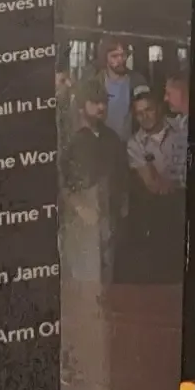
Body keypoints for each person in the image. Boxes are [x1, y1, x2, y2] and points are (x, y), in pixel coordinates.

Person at [61, 93, 128, 285]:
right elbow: (60, 179)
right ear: (81, 106)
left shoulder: (112, 138)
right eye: (95, 102)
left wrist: (121, 207)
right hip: (81, 220)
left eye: (104, 102)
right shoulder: (70, 139)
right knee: (84, 282)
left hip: (110, 220)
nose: (101, 107)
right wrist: (79, 206)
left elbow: (122, 174)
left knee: (109, 279)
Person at [123, 86, 187, 283]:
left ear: (159, 107)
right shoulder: (134, 144)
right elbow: (152, 184)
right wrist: (177, 181)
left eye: (148, 110)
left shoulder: (182, 127)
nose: (144, 117)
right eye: (139, 113)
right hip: (162, 208)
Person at [101, 40, 143, 141]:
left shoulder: (137, 82)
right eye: (114, 56)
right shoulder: (97, 82)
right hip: (101, 144)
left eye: (123, 55)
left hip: (129, 144)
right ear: (105, 58)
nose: (120, 60)